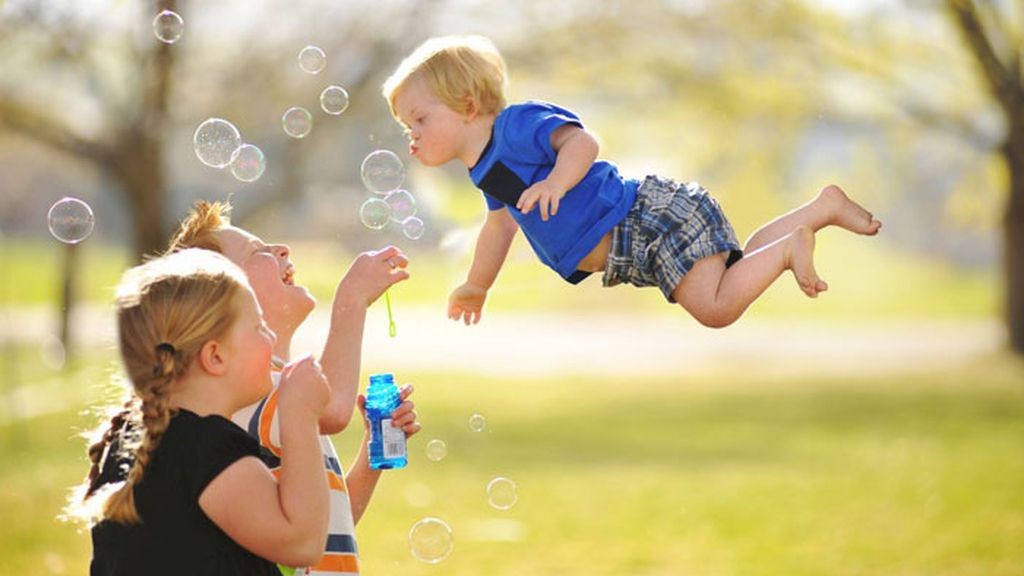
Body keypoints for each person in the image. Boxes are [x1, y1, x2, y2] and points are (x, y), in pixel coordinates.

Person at [381, 35, 883, 328]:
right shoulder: (486, 167)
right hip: (639, 239)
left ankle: (793, 245)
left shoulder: (517, 125)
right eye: (408, 128)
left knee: (715, 308)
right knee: (735, 270)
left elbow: (583, 143)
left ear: (467, 106)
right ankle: (819, 209)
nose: (413, 135)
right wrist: (476, 285)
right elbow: (499, 229)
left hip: (647, 221)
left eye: (420, 121)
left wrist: (557, 182)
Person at [162, 201, 421, 575]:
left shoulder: (280, 395)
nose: (282, 249)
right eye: (258, 252)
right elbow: (332, 410)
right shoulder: (241, 390)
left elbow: (324, 523)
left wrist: (372, 455)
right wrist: (351, 299)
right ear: (222, 304)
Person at [68, 248, 333, 574]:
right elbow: (301, 543)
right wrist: (300, 416)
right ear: (215, 356)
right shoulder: (209, 449)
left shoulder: (132, 438)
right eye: (260, 327)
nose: (272, 336)